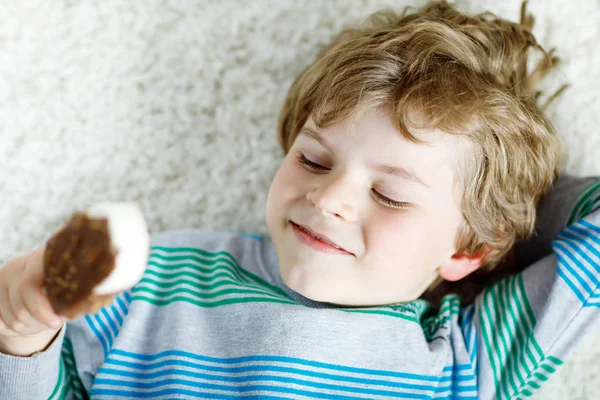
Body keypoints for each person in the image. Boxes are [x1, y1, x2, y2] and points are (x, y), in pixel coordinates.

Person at [1, 1, 599, 399]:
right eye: (314, 159)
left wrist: (502, 208)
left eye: (390, 196)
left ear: (468, 249)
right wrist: (22, 336)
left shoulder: (468, 360)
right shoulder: (159, 278)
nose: (329, 196)